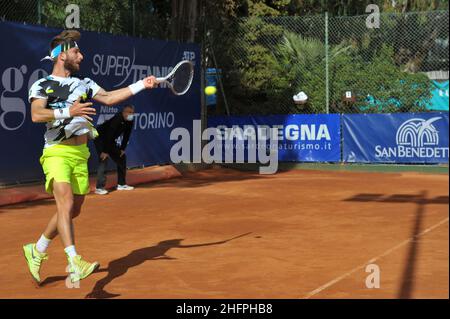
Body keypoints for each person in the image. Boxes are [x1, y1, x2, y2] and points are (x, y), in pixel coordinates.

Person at [24, 29, 158, 285]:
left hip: (80, 153)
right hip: (56, 152)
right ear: (62, 55)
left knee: (73, 210)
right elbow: (36, 114)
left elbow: (108, 97)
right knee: (64, 204)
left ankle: (37, 249)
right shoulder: (42, 84)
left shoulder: (84, 82)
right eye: (76, 51)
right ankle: (74, 261)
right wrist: (68, 111)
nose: (82, 56)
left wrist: (142, 84)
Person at [94, 105, 136, 195]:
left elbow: (126, 135)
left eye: (132, 113)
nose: (131, 114)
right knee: (104, 159)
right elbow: (109, 134)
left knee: (121, 157)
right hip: (100, 138)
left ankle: (121, 184)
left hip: (110, 139)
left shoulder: (130, 121)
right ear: (123, 113)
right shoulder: (117, 119)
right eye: (129, 112)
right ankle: (99, 187)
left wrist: (122, 149)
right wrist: (105, 151)